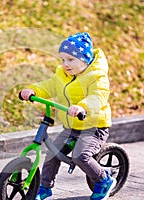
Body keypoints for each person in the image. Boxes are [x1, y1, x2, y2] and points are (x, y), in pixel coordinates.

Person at [20, 32, 116, 200]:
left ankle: (103, 180)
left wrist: (82, 107)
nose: (65, 64)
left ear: (85, 59)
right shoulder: (62, 75)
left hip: (94, 127)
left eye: (71, 60)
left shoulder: (97, 76)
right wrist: (33, 90)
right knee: (52, 153)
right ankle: (44, 188)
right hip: (71, 126)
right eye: (63, 60)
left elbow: (97, 97)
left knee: (80, 156)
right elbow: (49, 86)